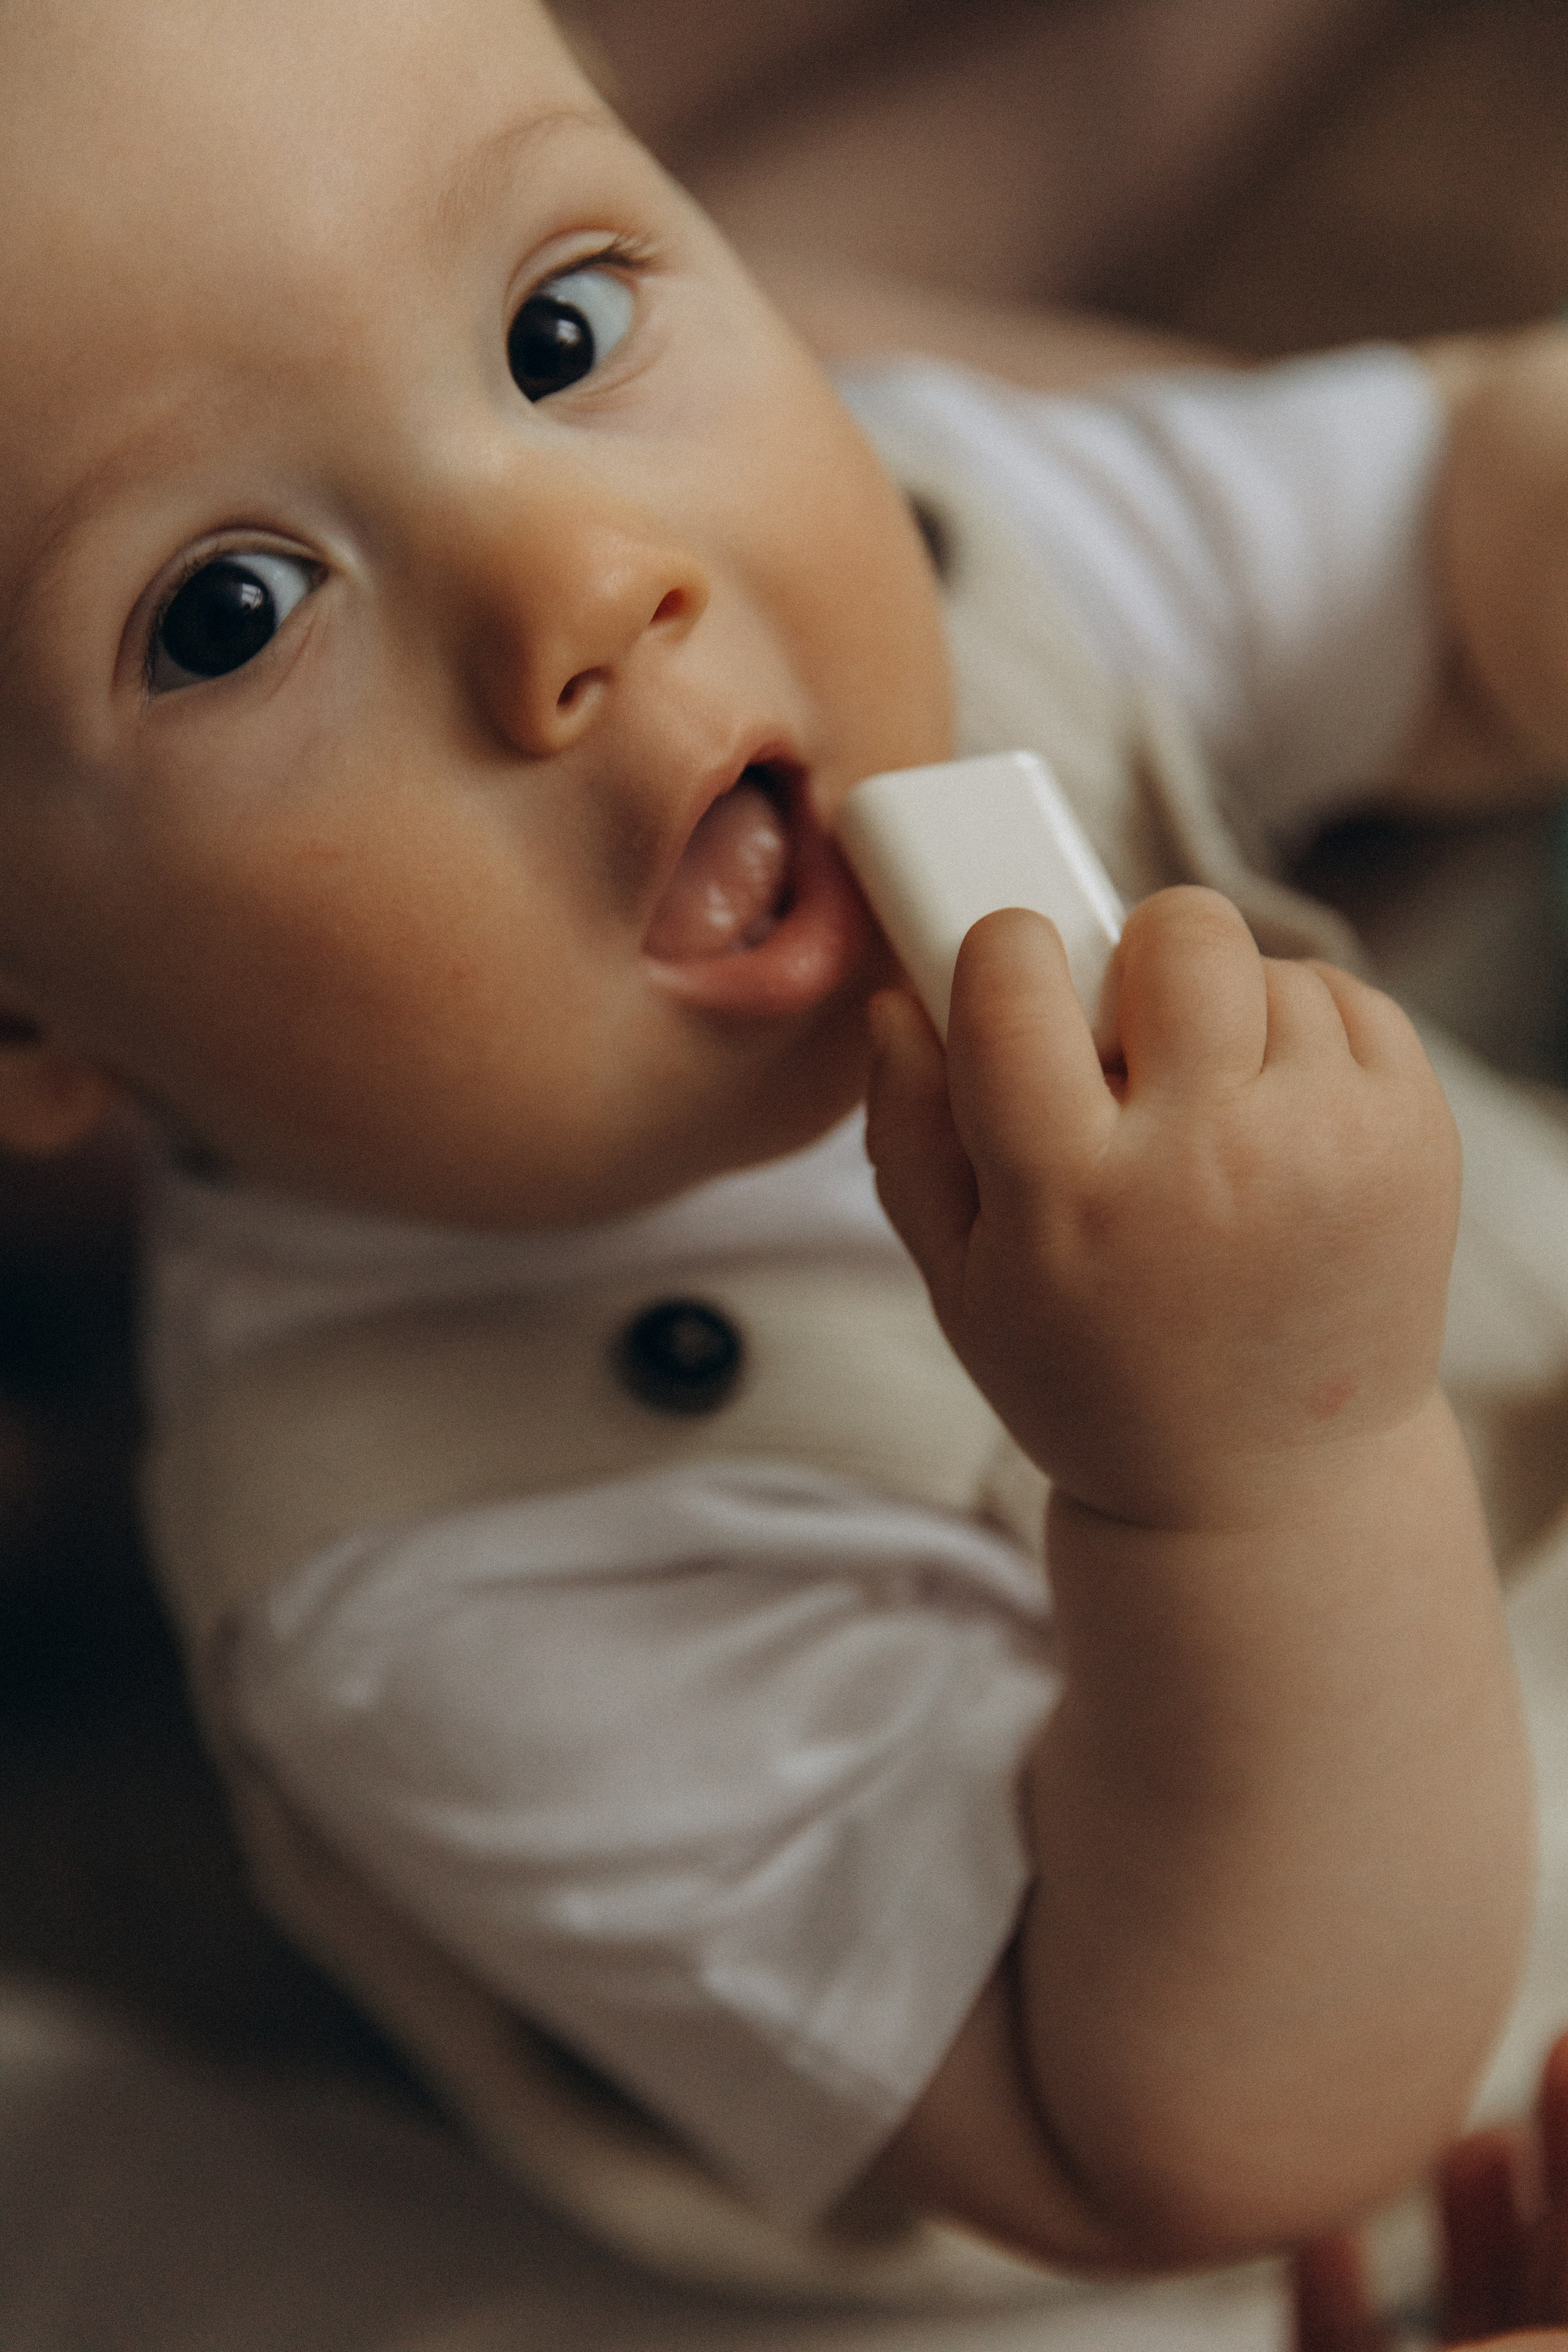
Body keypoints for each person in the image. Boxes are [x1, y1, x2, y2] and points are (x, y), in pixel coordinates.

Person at [1, 0, 1556, 2302]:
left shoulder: (931, 537)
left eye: (557, 328)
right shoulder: (449, 1589)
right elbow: (1228, 2128)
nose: (586, 583)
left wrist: (1515, 492)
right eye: (226, 612)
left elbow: (1428, 557)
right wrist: (1257, 1472)